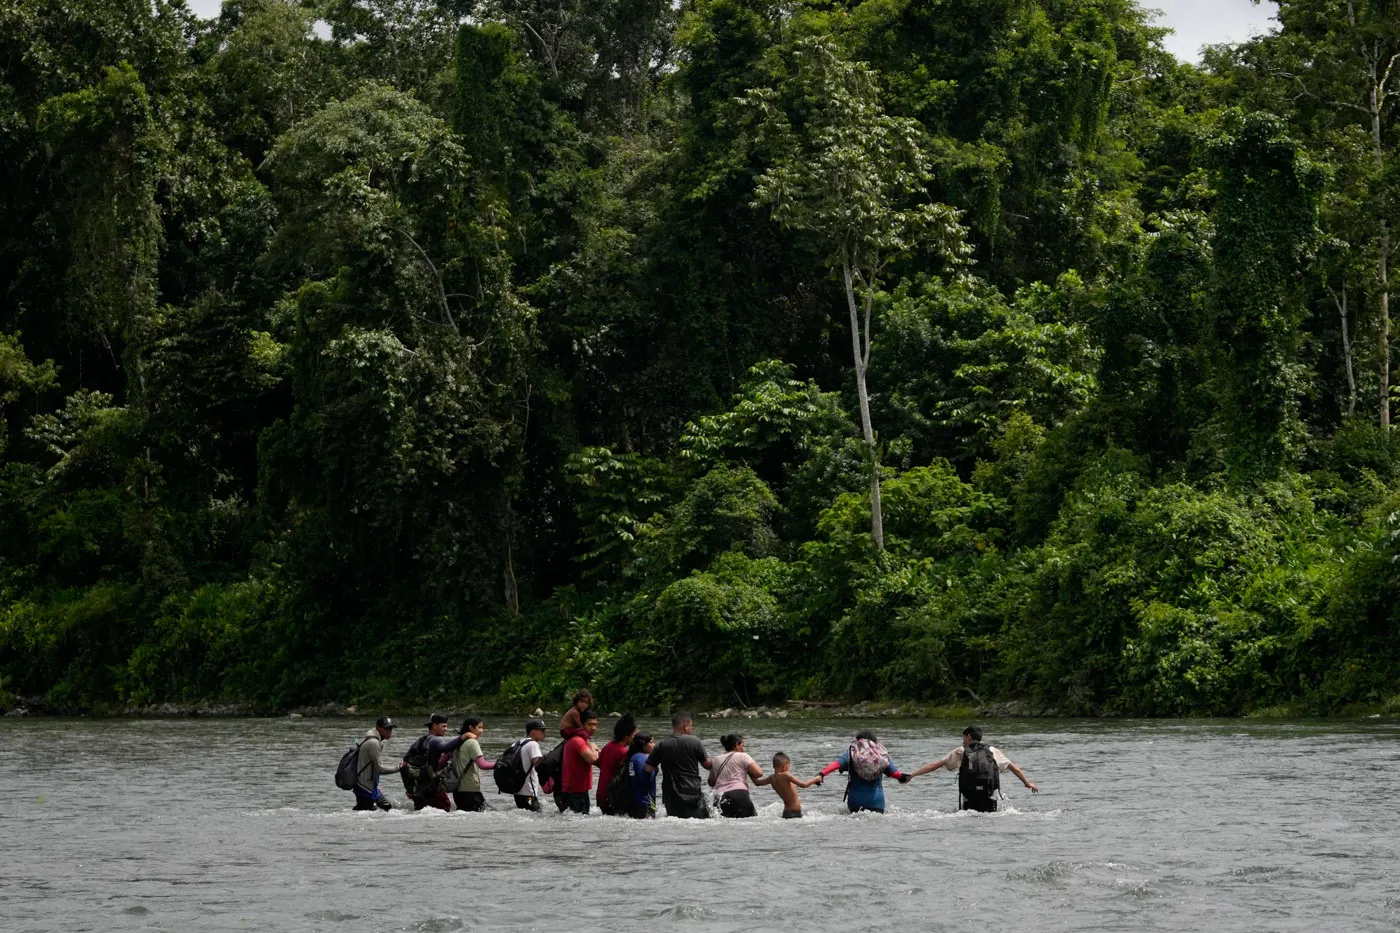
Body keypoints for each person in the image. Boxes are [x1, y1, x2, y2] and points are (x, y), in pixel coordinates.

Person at [908, 725, 1039, 812]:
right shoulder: (992, 751)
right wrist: (1027, 783)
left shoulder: (961, 751)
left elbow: (933, 766)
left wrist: (912, 775)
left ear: (969, 737)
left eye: (963, 738)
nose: (963, 741)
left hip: (969, 798)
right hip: (989, 798)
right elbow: (1014, 768)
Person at [819, 730, 910, 814]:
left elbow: (836, 764)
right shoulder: (880, 755)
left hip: (855, 801)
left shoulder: (852, 753)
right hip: (877, 802)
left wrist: (822, 774)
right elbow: (895, 774)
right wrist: (903, 778)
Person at [645, 711, 713, 819]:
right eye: (691, 726)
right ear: (685, 726)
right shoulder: (694, 741)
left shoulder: (661, 744)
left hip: (670, 793)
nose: (691, 729)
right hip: (692, 791)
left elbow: (648, 769)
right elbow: (707, 765)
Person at [407, 713, 469, 811]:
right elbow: (445, 747)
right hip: (432, 787)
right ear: (435, 726)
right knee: (445, 807)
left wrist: (409, 789)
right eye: (443, 726)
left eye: (447, 726)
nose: (446, 729)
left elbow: (405, 763)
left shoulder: (419, 741)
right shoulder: (436, 740)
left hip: (418, 788)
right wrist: (464, 737)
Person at [708, 733, 766, 818]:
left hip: (720, 797)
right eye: (742, 745)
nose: (743, 748)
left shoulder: (715, 759)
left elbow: (711, 782)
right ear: (737, 745)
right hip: (739, 795)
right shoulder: (743, 756)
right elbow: (759, 773)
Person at [353, 716, 403, 811]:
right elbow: (379, 769)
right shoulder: (374, 743)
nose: (389, 731)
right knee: (364, 814)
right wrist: (399, 767)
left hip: (371, 787)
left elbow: (372, 767)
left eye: (391, 728)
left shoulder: (376, 741)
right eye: (387, 728)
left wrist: (376, 786)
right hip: (365, 788)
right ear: (378, 728)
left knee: (388, 808)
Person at [446, 717, 495, 812]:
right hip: (471, 790)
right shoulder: (472, 743)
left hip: (457, 792)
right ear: (471, 728)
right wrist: (500, 765)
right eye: (479, 727)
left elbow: (441, 762)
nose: (482, 731)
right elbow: (483, 765)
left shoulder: (456, 743)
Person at [559, 709, 601, 814]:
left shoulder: (577, 740)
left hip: (579, 790)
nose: (593, 728)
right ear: (581, 725)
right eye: (590, 724)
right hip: (575, 792)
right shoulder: (578, 741)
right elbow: (593, 759)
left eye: (595, 724)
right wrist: (594, 749)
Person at [596, 713, 637, 815]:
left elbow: (600, 763)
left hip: (601, 793)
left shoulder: (607, 746)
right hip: (612, 795)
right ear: (626, 737)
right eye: (633, 736)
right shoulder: (623, 752)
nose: (634, 738)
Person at [765, 751, 823, 819]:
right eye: (788, 766)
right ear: (784, 767)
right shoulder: (786, 775)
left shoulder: (771, 778)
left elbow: (757, 783)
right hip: (795, 812)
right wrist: (816, 779)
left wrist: (750, 773)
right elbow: (803, 784)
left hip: (786, 812)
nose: (788, 768)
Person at [513, 719, 548, 812]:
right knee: (537, 818)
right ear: (533, 731)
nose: (544, 733)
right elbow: (539, 765)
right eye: (542, 730)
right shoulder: (533, 744)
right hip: (529, 793)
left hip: (517, 792)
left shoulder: (517, 743)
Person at [626, 732, 657, 819]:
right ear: (643, 744)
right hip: (645, 803)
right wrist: (654, 768)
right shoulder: (641, 758)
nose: (654, 745)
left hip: (635, 801)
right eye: (651, 742)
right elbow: (645, 780)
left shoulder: (633, 758)